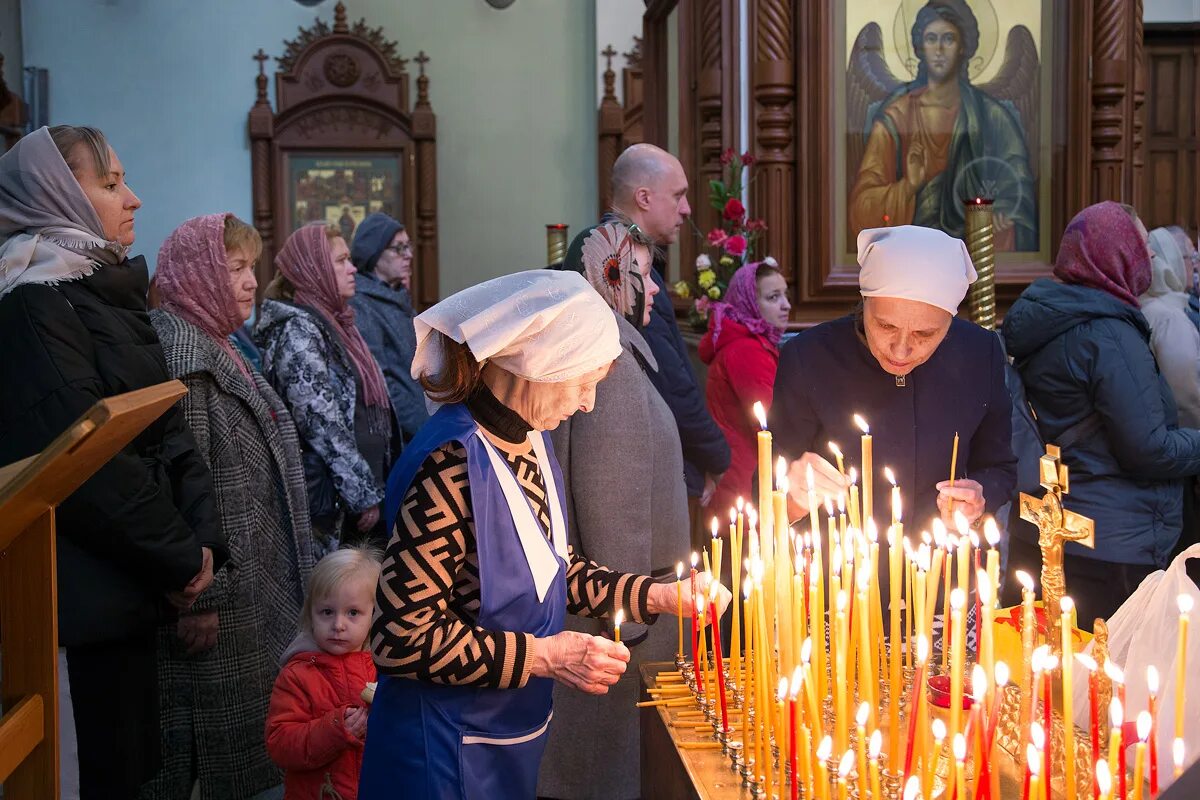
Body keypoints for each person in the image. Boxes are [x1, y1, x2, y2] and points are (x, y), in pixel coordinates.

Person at [359, 270, 714, 800]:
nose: (590, 403)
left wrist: (657, 595)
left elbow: (554, 569)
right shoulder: (451, 463)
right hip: (439, 751)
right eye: (585, 382)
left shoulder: (529, 438)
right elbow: (401, 638)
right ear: (539, 368)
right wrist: (547, 657)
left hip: (505, 738)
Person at [0, 125, 223, 798]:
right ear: (54, 195)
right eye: (109, 183)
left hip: (127, 589)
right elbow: (86, 460)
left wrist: (203, 545)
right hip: (72, 602)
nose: (134, 198)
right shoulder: (33, 304)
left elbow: (168, 429)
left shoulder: (104, 292)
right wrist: (181, 558)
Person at [143, 213, 317, 800]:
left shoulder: (219, 343)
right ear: (198, 274)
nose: (250, 281)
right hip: (221, 595)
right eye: (235, 268)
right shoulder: (183, 359)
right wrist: (205, 594)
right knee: (217, 758)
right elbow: (191, 488)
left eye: (252, 268)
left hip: (249, 580)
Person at [540, 221, 693, 799]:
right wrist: (628, 620)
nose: (654, 291)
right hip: (617, 631)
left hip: (615, 615)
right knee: (607, 773)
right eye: (644, 276)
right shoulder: (615, 367)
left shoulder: (612, 351)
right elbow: (615, 514)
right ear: (610, 276)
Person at [1002, 202, 1200, 624]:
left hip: (1059, 525)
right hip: (1113, 544)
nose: (1149, 256)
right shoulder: (1107, 334)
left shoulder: (1055, 316)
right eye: (1142, 245)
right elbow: (1148, 450)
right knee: (1109, 676)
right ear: (1117, 253)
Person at [771, 225, 1016, 549]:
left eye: (925, 335)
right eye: (885, 325)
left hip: (941, 576)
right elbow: (765, 494)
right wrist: (794, 498)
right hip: (839, 584)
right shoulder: (809, 357)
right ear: (865, 302)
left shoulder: (978, 353)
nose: (900, 351)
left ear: (949, 323)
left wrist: (979, 495)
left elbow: (1000, 467)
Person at [572, 143, 730, 526]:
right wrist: (716, 456)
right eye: (678, 196)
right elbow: (670, 383)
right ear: (643, 197)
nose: (687, 208)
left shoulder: (602, 252)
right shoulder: (621, 270)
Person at [849, 0, 1037, 250]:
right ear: (919, 47)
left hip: (972, 256)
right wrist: (909, 186)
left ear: (963, 47)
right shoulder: (897, 117)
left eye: (949, 39)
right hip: (911, 258)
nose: (938, 49)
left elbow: (1018, 185)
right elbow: (863, 206)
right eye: (931, 38)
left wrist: (1002, 212)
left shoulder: (991, 116)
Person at [255, 222, 394, 551]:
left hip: (358, 493)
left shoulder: (339, 321)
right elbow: (321, 422)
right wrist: (362, 493)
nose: (353, 268)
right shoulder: (298, 330)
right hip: (330, 504)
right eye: (341, 261)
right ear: (313, 268)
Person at [265, 545, 381, 800]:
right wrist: (334, 729)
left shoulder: (383, 670)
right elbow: (280, 744)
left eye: (353, 613)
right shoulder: (297, 675)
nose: (338, 625)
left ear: (373, 615)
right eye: (327, 612)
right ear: (310, 614)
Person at [699, 258, 792, 516]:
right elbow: (772, 423)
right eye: (774, 297)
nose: (786, 305)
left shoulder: (748, 343)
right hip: (746, 484)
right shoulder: (747, 350)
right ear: (748, 301)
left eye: (785, 295)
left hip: (740, 477)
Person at [348, 212, 428, 442]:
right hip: (401, 436)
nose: (409, 255)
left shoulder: (395, 297)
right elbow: (381, 382)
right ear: (374, 255)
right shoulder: (361, 305)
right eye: (398, 248)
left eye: (408, 247)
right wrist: (426, 428)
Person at [1143, 226, 1200, 429]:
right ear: (1171, 260)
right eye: (1189, 257)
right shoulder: (1169, 317)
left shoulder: (1147, 304)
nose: (1194, 266)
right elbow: (1186, 402)